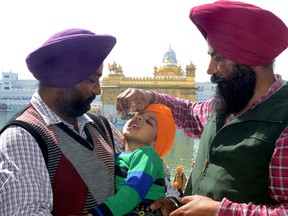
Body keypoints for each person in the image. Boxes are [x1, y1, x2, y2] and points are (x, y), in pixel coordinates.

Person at [115, 1, 288, 215]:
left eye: (218, 58)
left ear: (249, 61)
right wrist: (149, 96)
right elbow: (188, 113)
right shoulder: (229, 102)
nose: (209, 69)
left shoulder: (284, 119)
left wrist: (219, 211)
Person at [0, 28, 125, 215]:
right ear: (62, 78)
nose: (98, 91)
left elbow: (141, 170)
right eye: (92, 80)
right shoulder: (22, 138)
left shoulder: (101, 127)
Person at [90, 104, 176, 216]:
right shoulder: (118, 155)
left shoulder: (148, 156)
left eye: (149, 122)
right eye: (137, 115)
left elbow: (133, 192)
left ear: (155, 142)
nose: (138, 118)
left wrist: (97, 214)